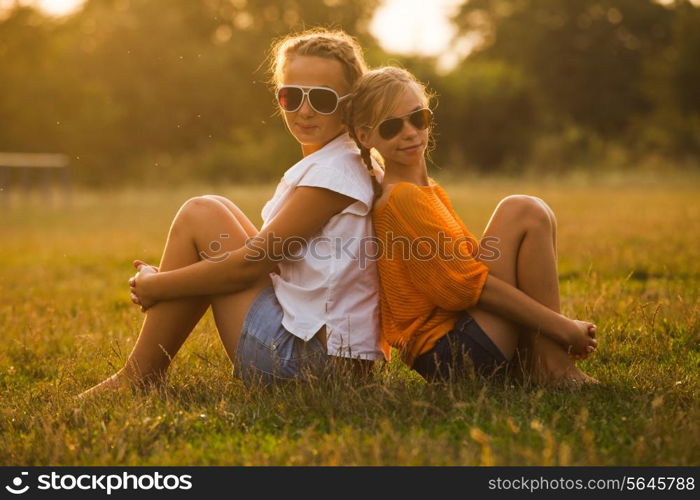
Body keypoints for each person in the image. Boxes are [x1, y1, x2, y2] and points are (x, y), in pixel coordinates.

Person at [79, 29, 389, 397]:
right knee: (216, 212)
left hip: (307, 367)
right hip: (324, 359)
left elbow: (248, 267)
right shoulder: (342, 161)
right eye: (291, 96)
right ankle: (144, 373)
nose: (304, 110)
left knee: (201, 213)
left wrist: (157, 285)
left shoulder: (335, 173)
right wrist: (190, 275)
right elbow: (270, 262)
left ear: (351, 104)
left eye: (322, 99)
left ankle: (139, 376)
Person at [346, 66, 598, 386]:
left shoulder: (426, 190)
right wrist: (562, 327)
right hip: (451, 354)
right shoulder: (401, 199)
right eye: (391, 126)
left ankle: (546, 362)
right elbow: (463, 289)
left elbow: (466, 267)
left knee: (532, 211)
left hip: (465, 338)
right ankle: (553, 367)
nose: (409, 132)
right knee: (522, 210)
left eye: (417, 118)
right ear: (365, 136)